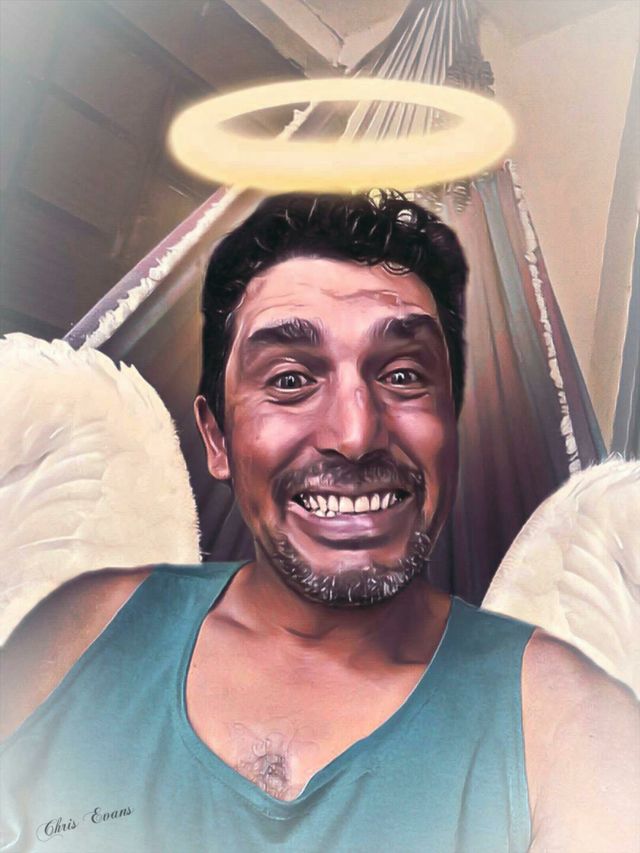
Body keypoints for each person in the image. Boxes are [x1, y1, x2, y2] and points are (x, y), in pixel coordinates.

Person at [1, 192, 637, 853]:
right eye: (289, 380)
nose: (355, 434)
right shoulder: (80, 635)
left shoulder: (571, 725)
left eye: (403, 374)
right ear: (217, 439)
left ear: (450, 427)